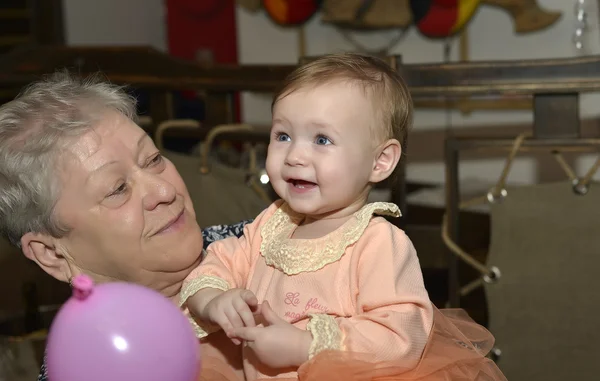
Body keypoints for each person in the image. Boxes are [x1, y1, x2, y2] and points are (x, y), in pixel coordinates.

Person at [181, 53, 507, 381]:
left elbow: (400, 335)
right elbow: (217, 262)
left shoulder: (377, 242)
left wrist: (306, 345)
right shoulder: (271, 224)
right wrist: (212, 300)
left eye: (322, 140)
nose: (294, 156)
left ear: (380, 161)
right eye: (283, 136)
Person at [0, 71, 251, 381]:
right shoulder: (86, 367)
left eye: (154, 159)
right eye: (118, 189)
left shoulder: (268, 244)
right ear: (50, 253)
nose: (165, 191)